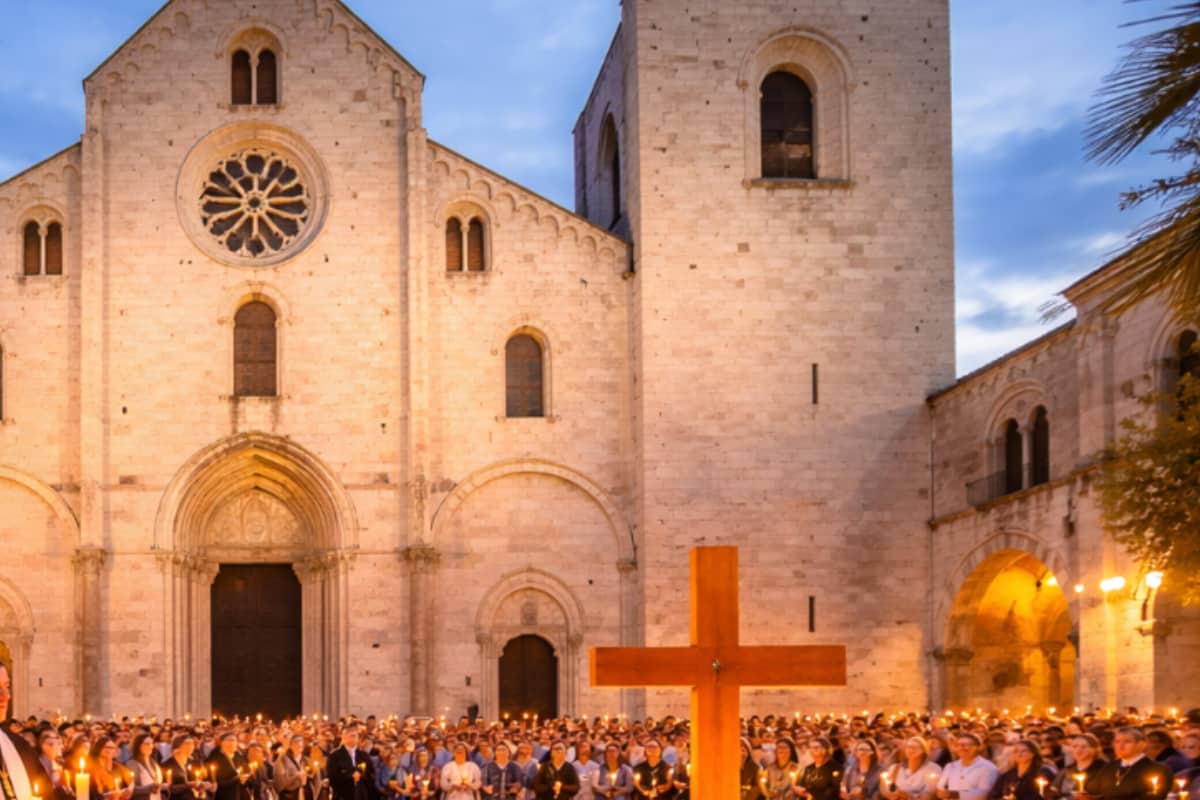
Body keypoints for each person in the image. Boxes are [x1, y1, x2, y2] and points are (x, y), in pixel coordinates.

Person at [1088, 728, 1172, 800]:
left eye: (1127, 742)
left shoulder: (1158, 769)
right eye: (1117, 742)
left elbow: (1155, 797)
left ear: (1141, 744)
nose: (1120, 746)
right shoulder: (1110, 766)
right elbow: (1093, 789)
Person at [935, 734, 998, 800]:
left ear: (978, 747)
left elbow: (984, 793)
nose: (963, 748)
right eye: (959, 745)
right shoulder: (950, 766)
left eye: (968, 745)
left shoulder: (988, 768)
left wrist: (953, 794)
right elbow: (940, 786)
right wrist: (941, 792)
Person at [987, 739, 1054, 800]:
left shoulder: (1042, 773)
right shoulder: (1007, 776)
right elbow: (994, 796)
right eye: (1016, 751)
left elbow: (1046, 795)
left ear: (1032, 754)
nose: (1019, 754)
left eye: (1024, 751)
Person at [1049, 735, 1105, 799]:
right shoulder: (1066, 771)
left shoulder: (1104, 770)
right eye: (1074, 746)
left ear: (1095, 749)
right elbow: (1053, 792)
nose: (1078, 750)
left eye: (1084, 747)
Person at [327, 726, 372, 800]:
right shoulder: (335, 756)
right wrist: (350, 777)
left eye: (356, 736)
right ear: (344, 737)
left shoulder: (364, 755)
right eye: (351, 735)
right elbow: (332, 778)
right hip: (343, 796)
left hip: (361, 796)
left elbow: (371, 775)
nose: (354, 738)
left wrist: (362, 776)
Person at [206, 733, 250, 800]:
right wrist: (236, 778)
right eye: (229, 740)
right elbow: (215, 781)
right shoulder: (215, 758)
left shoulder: (238, 756)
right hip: (223, 795)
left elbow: (246, 771)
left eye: (234, 740)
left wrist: (245, 778)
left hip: (239, 794)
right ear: (222, 743)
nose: (232, 743)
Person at [127, 733, 165, 800]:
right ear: (138, 745)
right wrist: (150, 787)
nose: (151, 746)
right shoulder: (133, 764)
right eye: (147, 744)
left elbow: (159, 783)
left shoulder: (154, 763)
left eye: (152, 743)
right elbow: (131, 789)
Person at [273, 735, 311, 800]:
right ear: (290, 745)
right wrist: (297, 776)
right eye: (296, 742)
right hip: (289, 796)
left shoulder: (306, 761)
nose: (299, 744)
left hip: (305, 795)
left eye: (301, 742)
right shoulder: (282, 760)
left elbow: (314, 780)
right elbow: (279, 782)